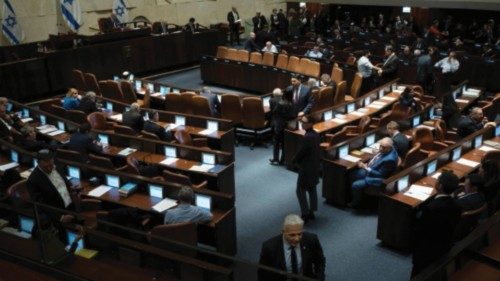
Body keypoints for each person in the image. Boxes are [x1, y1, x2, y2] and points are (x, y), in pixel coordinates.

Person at [412, 171, 461, 276]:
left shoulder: (431, 208)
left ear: (440, 186)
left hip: (425, 250)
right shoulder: (457, 205)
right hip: (444, 247)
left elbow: (420, 230)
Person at [258, 214, 325, 281]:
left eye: (300, 234)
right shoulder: (269, 247)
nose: (297, 239)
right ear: (283, 232)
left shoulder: (311, 240)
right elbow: (263, 273)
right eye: (292, 235)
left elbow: (320, 261)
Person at [26, 149, 79, 224]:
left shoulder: (56, 164)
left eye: (51, 165)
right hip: (58, 214)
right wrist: (60, 217)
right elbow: (40, 205)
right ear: (37, 163)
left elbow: (63, 180)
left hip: (71, 206)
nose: (49, 169)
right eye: (45, 167)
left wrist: (70, 187)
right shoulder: (33, 180)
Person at [348, 137, 398, 208]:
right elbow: (380, 157)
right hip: (371, 168)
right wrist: (376, 153)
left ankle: (356, 202)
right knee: (352, 174)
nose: (380, 148)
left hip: (376, 178)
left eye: (383, 147)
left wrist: (365, 167)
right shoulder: (389, 150)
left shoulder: (390, 159)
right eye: (380, 146)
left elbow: (380, 174)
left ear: (389, 148)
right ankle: (354, 194)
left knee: (355, 185)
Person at [292, 116, 320, 222]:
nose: (302, 124)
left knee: (300, 191)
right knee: (312, 188)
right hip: (315, 166)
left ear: (311, 124)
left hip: (306, 168)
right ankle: (312, 211)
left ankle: (305, 214)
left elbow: (301, 152)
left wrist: (294, 160)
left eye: (304, 122)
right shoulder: (316, 134)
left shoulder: (307, 137)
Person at [269, 89, 294, 165]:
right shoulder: (292, 103)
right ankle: (283, 159)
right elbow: (292, 115)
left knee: (276, 142)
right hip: (287, 125)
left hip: (279, 125)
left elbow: (274, 112)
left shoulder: (280, 103)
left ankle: (275, 159)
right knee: (284, 143)